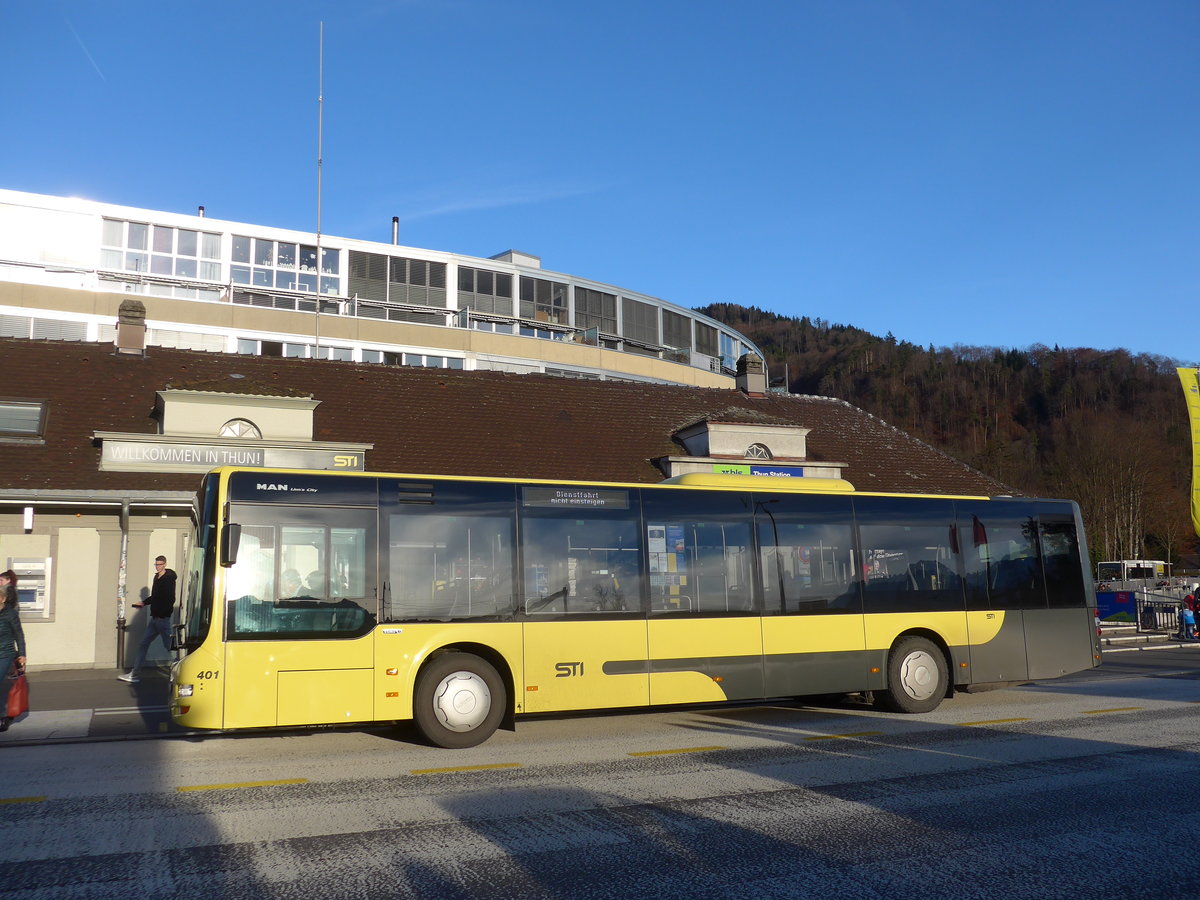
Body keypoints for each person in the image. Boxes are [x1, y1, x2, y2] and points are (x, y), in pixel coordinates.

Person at [118, 555, 177, 684]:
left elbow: (170, 598)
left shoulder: (169, 579)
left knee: (170, 648)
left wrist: (163, 612)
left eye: (160, 564)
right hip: (154, 620)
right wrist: (143, 603)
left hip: (163, 620)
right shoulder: (156, 577)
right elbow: (155, 596)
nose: (158, 567)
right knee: (143, 644)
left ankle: (179, 673)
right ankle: (135, 674)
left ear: (165, 564)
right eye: (156, 564)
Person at [0, 570, 27, 732]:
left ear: (2, 599)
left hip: (5, 654)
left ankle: (4, 717)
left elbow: (19, 635)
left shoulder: (10, 614)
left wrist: (22, 654)